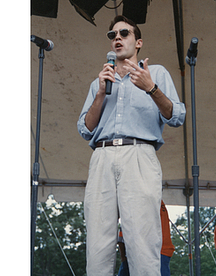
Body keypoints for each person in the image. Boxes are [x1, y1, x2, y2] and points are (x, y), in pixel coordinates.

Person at [77, 15, 186, 276]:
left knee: (142, 241)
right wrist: (102, 92)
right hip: (102, 155)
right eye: (112, 35)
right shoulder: (99, 81)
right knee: (97, 245)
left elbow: (177, 117)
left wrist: (151, 89)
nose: (117, 38)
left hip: (138, 154)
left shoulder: (156, 73)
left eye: (123, 33)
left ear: (138, 43)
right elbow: (84, 129)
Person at [117, 200, 175, 276]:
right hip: (155, 251)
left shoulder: (143, 201)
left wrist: (124, 258)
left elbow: (123, 234)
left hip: (152, 251)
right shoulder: (154, 201)